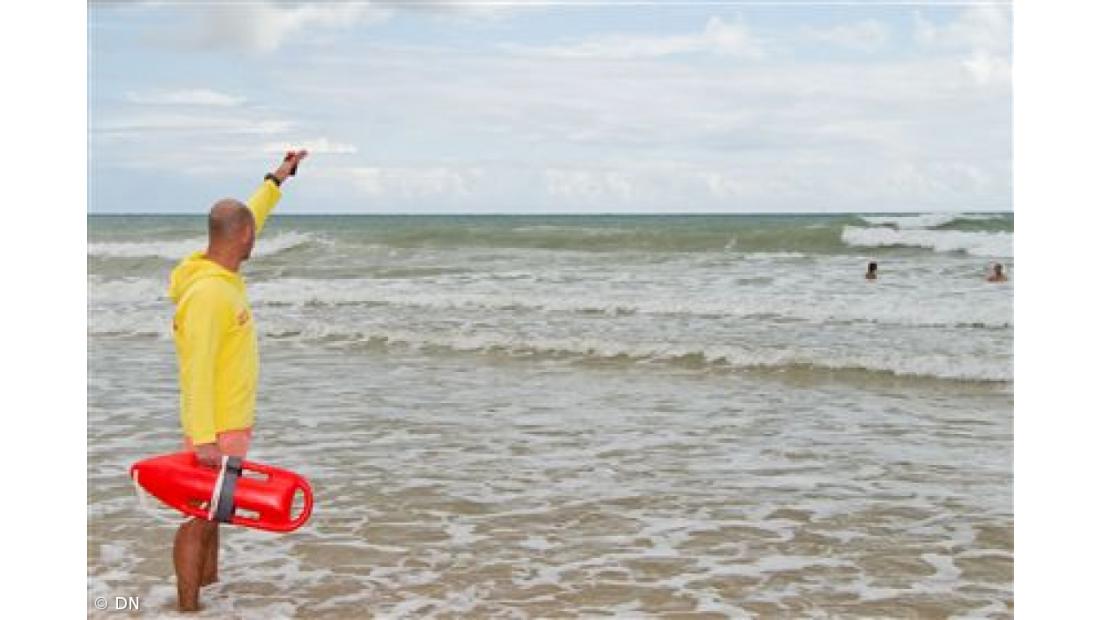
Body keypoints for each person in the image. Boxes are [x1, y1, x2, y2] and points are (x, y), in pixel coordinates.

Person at [166, 149, 308, 611]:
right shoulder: (209, 294)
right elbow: (197, 369)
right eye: (253, 233)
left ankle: (210, 590)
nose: (256, 238)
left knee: (213, 514)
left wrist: (277, 178)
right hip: (216, 429)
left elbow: (252, 215)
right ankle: (188, 606)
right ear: (242, 237)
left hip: (229, 425)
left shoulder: (220, 269)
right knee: (199, 517)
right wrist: (205, 439)